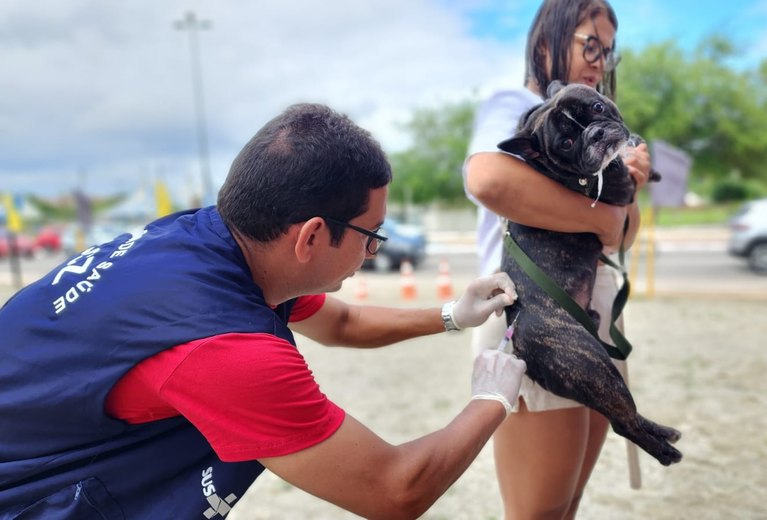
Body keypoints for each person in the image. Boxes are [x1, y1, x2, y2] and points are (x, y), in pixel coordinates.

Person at [0, 103, 528, 520]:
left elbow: (341, 323)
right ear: (312, 236)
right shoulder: (224, 348)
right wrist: (490, 399)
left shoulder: (210, 240)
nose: (373, 253)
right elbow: (394, 491)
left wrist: (452, 316)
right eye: (371, 236)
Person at [462, 0, 654, 518]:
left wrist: (627, 189)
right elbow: (487, 178)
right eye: (589, 44)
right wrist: (601, 218)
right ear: (547, 42)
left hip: (588, 317)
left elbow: (620, 238)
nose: (599, 61)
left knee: (564, 505)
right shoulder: (515, 102)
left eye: (608, 51)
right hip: (534, 321)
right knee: (538, 513)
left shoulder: (591, 133)